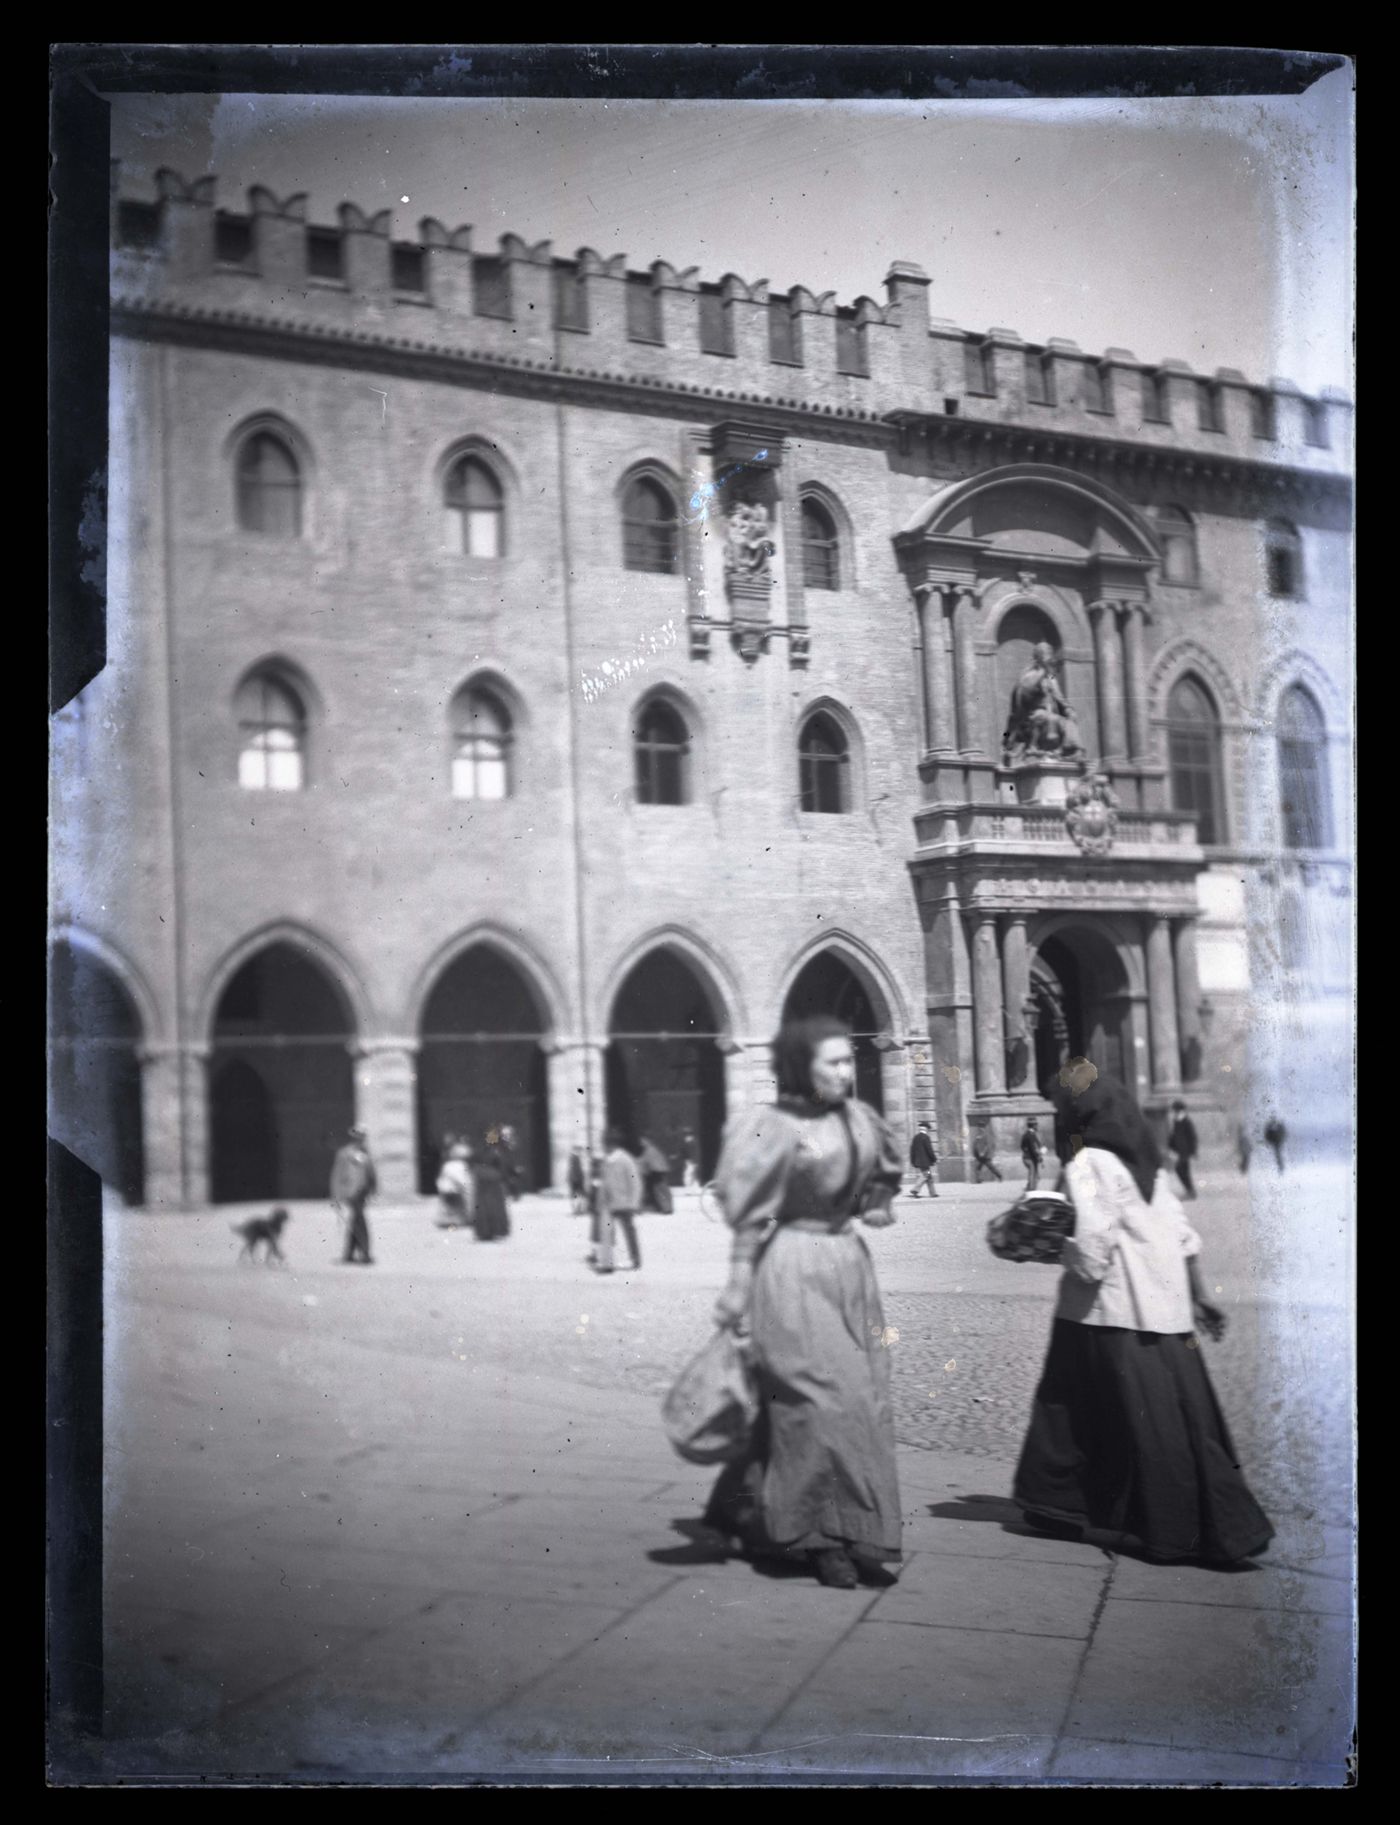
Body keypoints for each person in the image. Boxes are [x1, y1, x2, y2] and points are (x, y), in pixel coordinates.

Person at [1012, 1059, 1274, 1567]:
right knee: (1175, 1424)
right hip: (1167, 1317)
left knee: (1069, 1411)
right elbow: (1183, 1237)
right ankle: (1218, 1525)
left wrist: (1042, 1245)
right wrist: (1198, 1299)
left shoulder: (1088, 1165)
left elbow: (1089, 1257)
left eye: (1062, 1107)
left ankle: (1074, 1507)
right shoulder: (1151, 1165)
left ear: (1078, 1112)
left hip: (1104, 1314)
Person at [704, 1015, 904, 1591]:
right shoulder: (770, 1126)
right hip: (791, 1264)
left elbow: (883, 1179)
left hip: (848, 1266)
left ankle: (773, 1512)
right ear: (801, 1066)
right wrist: (738, 1284)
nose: (846, 1071)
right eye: (833, 1062)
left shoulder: (860, 1119)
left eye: (848, 1060)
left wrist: (877, 1204)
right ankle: (819, 1538)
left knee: (862, 1394)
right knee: (819, 1397)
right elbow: (750, 1213)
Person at [597, 1127, 643, 1273]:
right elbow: (604, 1183)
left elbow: (635, 1182)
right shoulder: (606, 1160)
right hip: (609, 1203)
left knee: (629, 1231)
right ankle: (607, 1263)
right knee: (606, 1231)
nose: (604, 1147)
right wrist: (600, 1200)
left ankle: (635, 1259)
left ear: (612, 1145)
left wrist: (634, 1202)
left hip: (624, 1203)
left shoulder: (625, 1159)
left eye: (605, 1144)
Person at [331, 1125, 377, 1265]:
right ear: (353, 1138)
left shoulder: (365, 1153)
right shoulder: (344, 1153)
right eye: (357, 1137)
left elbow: (371, 1173)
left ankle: (349, 1253)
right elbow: (337, 1175)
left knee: (355, 1221)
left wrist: (373, 1189)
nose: (360, 1140)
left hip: (362, 1192)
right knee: (360, 1222)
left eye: (362, 1137)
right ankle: (365, 1253)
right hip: (351, 1193)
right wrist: (336, 1196)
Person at [472, 1133, 512, 1241]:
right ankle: (495, 1230)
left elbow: (474, 1164)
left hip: (482, 1180)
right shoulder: (497, 1152)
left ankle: (484, 1231)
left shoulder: (480, 1151)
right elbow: (503, 1168)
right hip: (494, 1181)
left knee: (483, 1206)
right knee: (494, 1206)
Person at [434, 1138, 474, 1229]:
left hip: (446, 1188)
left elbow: (441, 1177)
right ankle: (456, 1221)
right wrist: (465, 1186)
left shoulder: (447, 1165)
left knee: (448, 1206)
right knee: (457, 1206)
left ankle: (446, 1221)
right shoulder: (460, 1165)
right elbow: (461, 1179)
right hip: (455, 1189)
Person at [1167, 1101, 1199, 1200]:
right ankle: (1190, 1191)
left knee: (1181, 1169)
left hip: (1185, 1151)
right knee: (1182, 1170)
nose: (1174, 1112)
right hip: (1180, 1151)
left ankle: (1190, 1191)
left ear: (1180, 1110)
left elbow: (1193, 1137)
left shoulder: (1186, 1121)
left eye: (1175, 1110)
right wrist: (1171, 1146)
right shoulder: (1176, 1121)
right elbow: (1174, 1136)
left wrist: (1193, 1151)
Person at [637, 1135, 673, 1214]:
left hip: (655, 1172)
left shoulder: (649, 1151)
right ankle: (666, 1207)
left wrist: (643, 1170)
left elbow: (645, 1162)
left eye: (643, 1142)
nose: (641, 1144)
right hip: (658, 1172)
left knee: (659, 1190)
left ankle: (665, 1208)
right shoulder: (652, 1150)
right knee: (662, 1190)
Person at [908, 1122, 939, 1198]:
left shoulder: (915, 1137)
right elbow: (929, 1150)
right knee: (925, 1175)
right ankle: (915, 1189)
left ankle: (933, 1193)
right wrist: (935, 1159)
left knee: (929, 1176)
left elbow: (912, 1150)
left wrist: (913, 1161)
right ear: (926, 1129)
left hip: (918, 1161)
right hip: (925, 1162)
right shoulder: (926, 1137)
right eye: (928, 1129)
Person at [1021, 1117, 1045, 1193]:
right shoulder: (1030, 1135)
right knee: (1033, 1174)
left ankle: (1030, 1189)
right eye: (1036, 1125)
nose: (1037, 1126)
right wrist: (1039, 1157)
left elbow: (1022, 1146)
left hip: (1029, 1157)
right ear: (1033, 1126)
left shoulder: (1028, 1134)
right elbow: (1032, 1148)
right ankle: (1031, 1191)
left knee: (1035, 1175)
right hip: (1030, 1158)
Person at [568, 1144, 589, 1215]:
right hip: (577, 1180)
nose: (581, 1152)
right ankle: (577, 1210)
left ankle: (577, 1209)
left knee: (575, 1195)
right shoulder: (576, 1158)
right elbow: (577, 1170)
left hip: (574, 1179)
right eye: (580, 1150)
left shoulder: (572, 1157)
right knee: (579, 1195)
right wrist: (581, 1178)